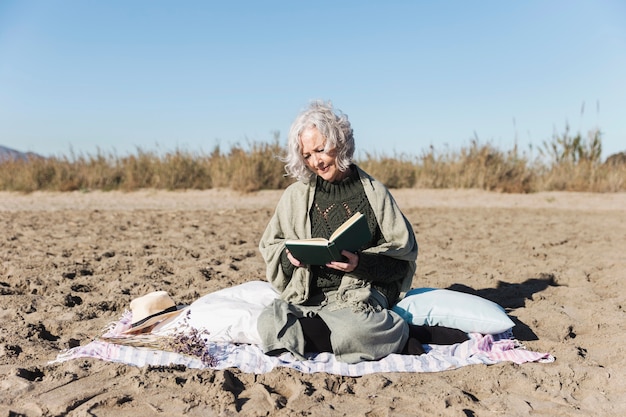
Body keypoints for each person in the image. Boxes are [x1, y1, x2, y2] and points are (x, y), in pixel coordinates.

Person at [256, 100, 419, 364]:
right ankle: (329, 331)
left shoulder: (375, 193)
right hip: (310, 297)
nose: (316, 162)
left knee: (356, 330)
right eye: (307, 155)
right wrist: (291, 257)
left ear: (340, 142)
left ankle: (402, 333)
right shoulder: (295, 196)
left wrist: (360, 263)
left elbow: (401, 261)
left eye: (320, 150)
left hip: (358, 296)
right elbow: (272, 248)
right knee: (268, 322)